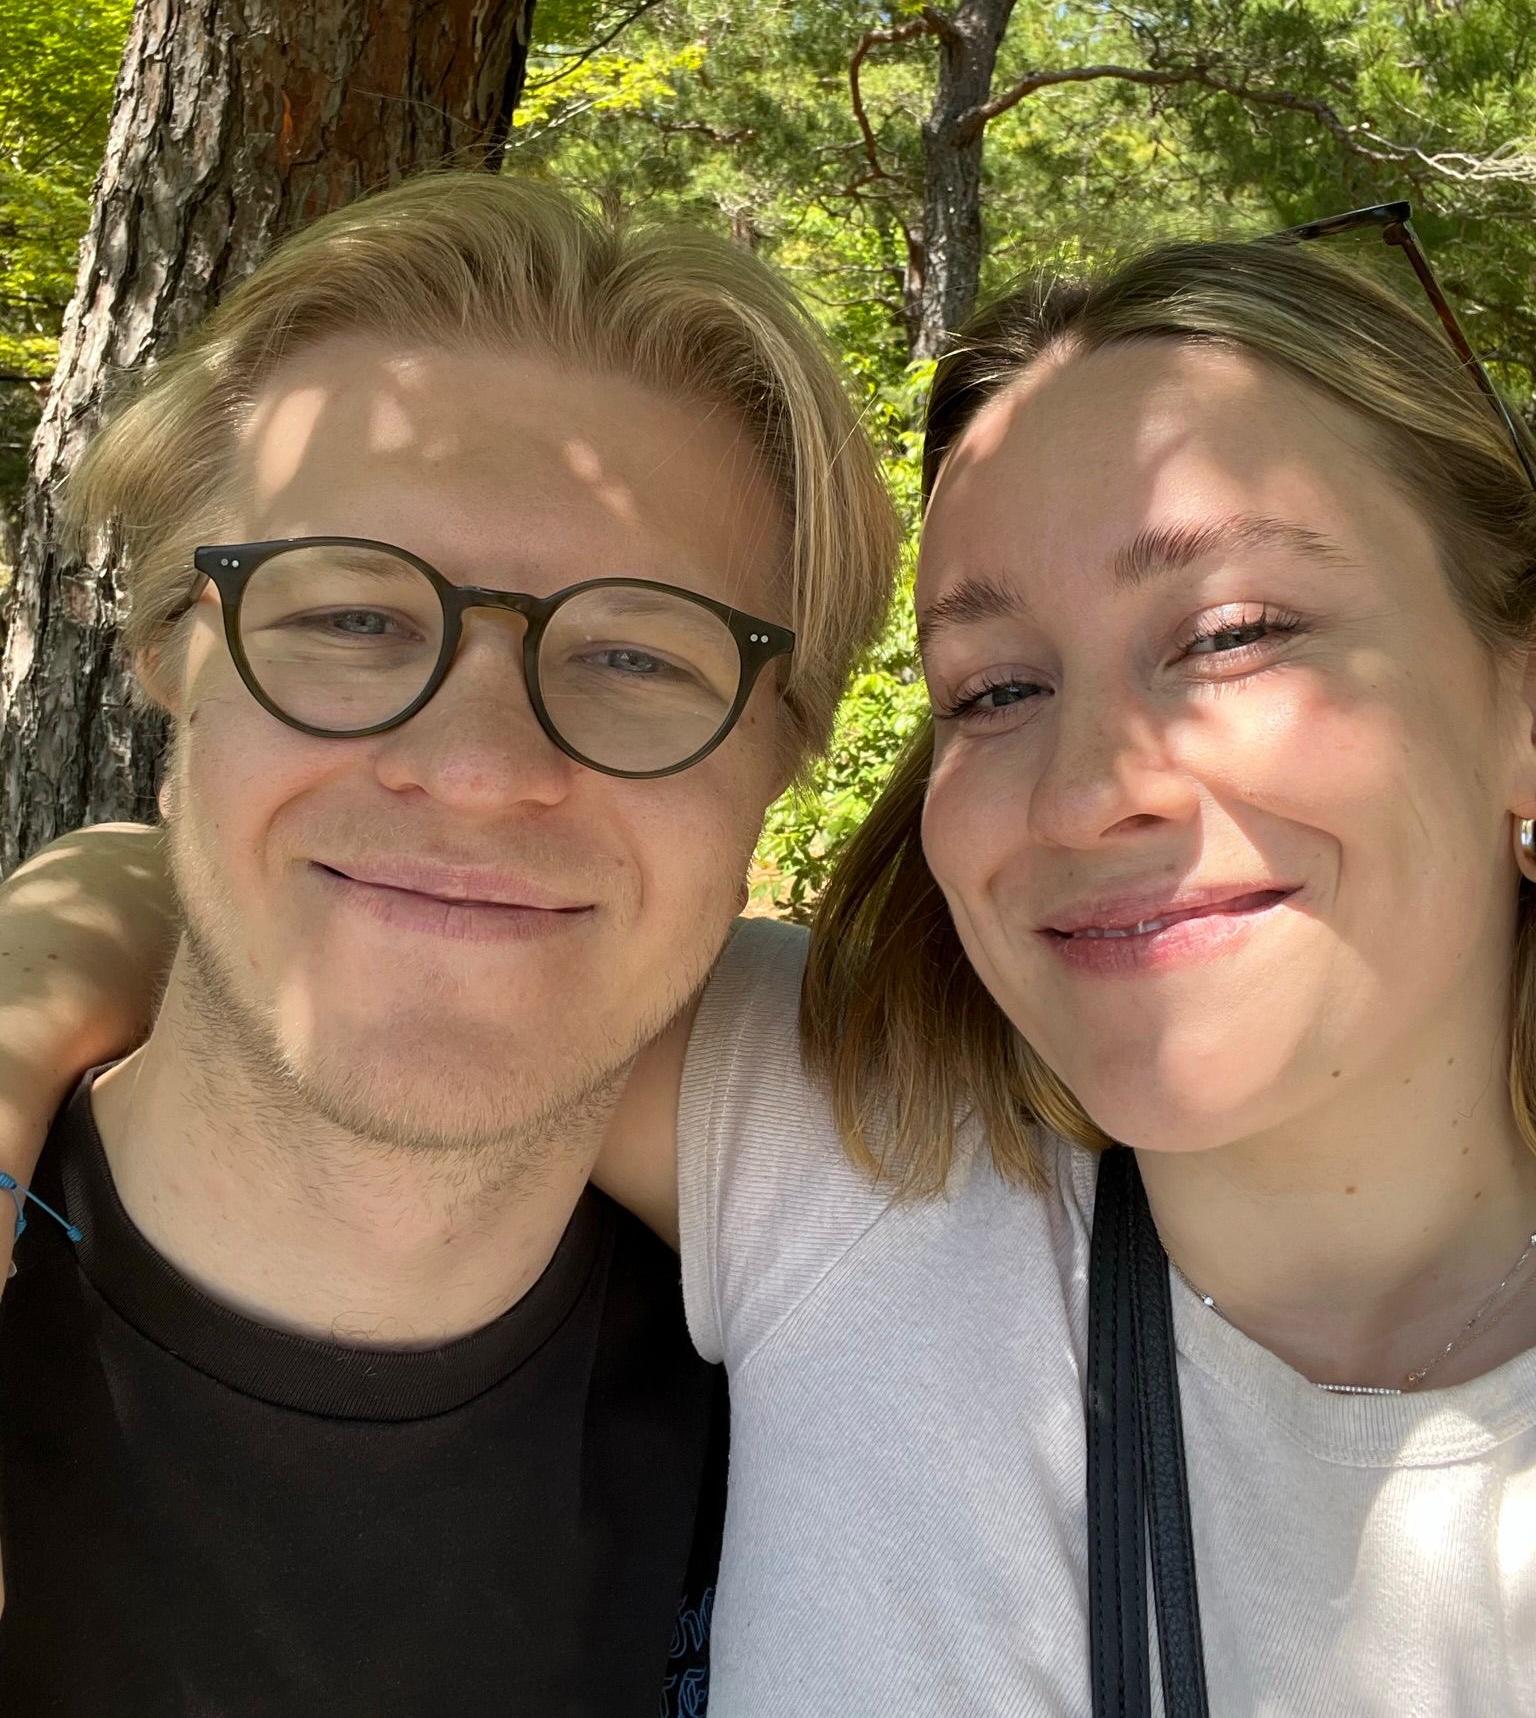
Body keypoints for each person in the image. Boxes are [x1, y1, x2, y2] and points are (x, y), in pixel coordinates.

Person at [3, 230, 1536, 1715]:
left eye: (1232, 632)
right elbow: (349, 934)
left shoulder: (826, 1130)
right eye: (996, 687)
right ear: (165, 650)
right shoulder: (872, 1140)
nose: (1087, 790)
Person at [0, 168, 898, 1716]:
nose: (477, 768)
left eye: (635, 655)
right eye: (350, 620)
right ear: (167, 655)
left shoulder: (866, 1381)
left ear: (786, 749)